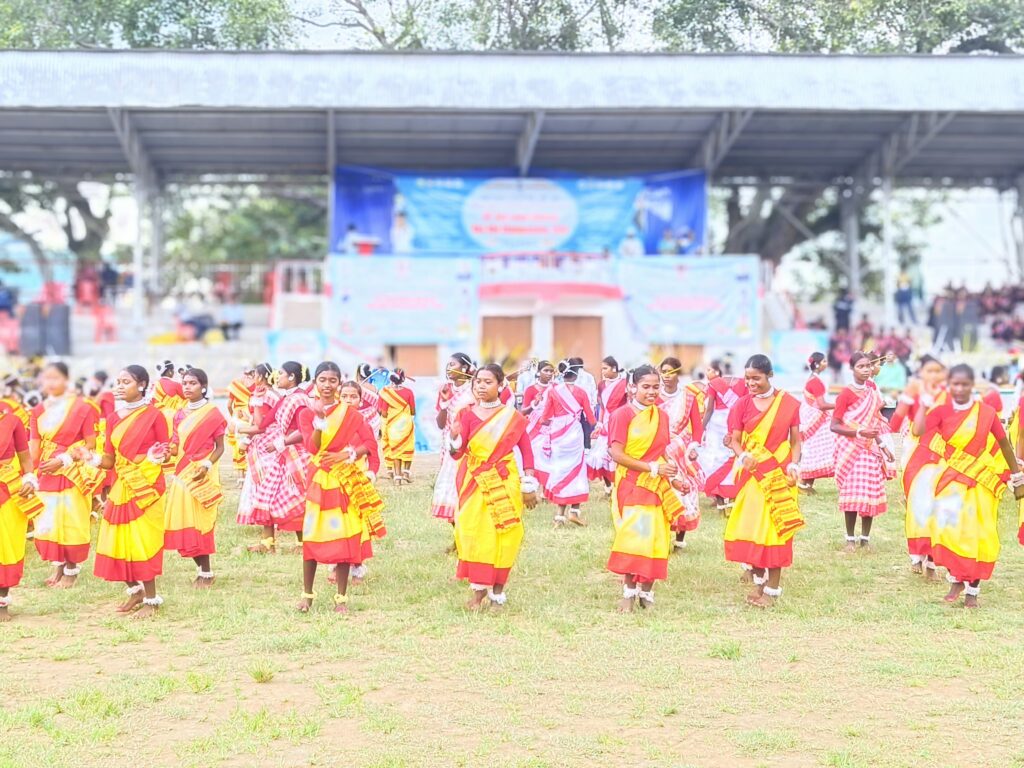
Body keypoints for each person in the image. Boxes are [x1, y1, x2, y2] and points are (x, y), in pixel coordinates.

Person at [905, 364, 1024, 607]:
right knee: (947, 529)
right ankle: (957, 578)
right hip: (951, 480)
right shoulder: (942, 411)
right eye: (955, 384)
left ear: (972, 385)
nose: (959, 389)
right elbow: (918, 430)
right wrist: (925, 404)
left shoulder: (987, 413)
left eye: (964, 384)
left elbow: (1004, 444)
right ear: (950, 385)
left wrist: (1017, 476)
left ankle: (972, 592)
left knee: (979, 533)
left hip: (981, 481)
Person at [449, 364, 538, 611]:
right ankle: (478, 591)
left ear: (501, 385)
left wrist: (529, 484)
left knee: (504, 532)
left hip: (503, 479)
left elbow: (527, 453)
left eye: (488, 381)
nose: (481, 386)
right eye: (478, 381)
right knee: (472, 530)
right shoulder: (465, 415)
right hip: (474, 480)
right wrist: (455, 438)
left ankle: (497, 593)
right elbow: (457, 454)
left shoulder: (512, 417)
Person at [299, 364, 386, 614]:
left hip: (343, 479)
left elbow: (369, 443)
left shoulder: (350, 413)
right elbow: (312, 448)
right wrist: (320, 422)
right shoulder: (307, 413)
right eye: (322, 380)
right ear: (315, 382)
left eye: (332, 380)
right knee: (313, 533)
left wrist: (348, 454)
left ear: (339, 383)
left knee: (344, 536)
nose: (327, 385)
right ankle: (307, 595)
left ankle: (341, 598)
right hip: (319, 479)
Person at [723, 355, 803, 608]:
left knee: (775, 530)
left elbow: (796, 440)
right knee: (751, 529)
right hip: (753, 475)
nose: (751, 383)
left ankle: (773, 589)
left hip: (779, 474)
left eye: (756, 378)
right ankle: (759, 583)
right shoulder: (741, 405)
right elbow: (735, 439)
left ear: (770, 376)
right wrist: (743, 455)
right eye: (747, 378)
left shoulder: (788, 403)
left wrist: (794, 463)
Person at [606, 365, 687, 612]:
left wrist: (674, 478)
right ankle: (629, 594)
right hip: (632, 483)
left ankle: (647, 594)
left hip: (656, 487)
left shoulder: (661, 416)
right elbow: (616, 453)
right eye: (646, 387)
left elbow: (660, 451)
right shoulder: (622, 415)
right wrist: (652, 468)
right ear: (632, 387)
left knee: (656, 539)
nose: (652, 392)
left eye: (656, 386)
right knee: (635, 537)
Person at [92, 365, 170, 618]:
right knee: (115, 540)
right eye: (118, 381)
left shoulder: (154, 415)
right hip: (121, 486)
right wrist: (87, 458)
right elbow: (108, 460)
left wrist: (154, 457)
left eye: (126, 381)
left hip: (145, 485)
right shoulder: (113, 418)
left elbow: (165, 451)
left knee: (142, 540)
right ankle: (135, 590)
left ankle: (151, 601)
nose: (120, 386)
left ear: (142, 385)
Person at [31, 362, 104, 589]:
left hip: (72, 470)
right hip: (47, 471)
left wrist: (65, 459)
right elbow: (34, 445)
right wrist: (30, 474)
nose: (50, 383)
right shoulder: (37, 411)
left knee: (72, 518)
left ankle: (71, 570)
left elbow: (91, 443)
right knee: (49, 519)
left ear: (66, 380)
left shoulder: (83, 408)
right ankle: (58, 566)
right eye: (47, 379)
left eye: (55, 378)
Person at [236, 362, 312, 553]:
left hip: (297, 454)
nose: (277, 378)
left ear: (292, 377)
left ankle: (302, 544)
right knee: (267, 495)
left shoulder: (300, 400)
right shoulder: (285, 398)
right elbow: (264, 423)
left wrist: (280, 443)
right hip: (283, 454)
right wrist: (257, 402)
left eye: (281, 374)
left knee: (296, 498)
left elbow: (305, 430)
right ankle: (267, 543)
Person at [163, 367, 226, 588]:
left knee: (201, 521)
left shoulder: (213, 413)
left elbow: (220, 447)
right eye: (185, 383)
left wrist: (207, 465)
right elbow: (175, 445)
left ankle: (207, 573)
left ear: (203, 386)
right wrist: (164, 450)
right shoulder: (179, 414)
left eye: (192, 383)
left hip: (202, 473)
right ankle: (199, 569)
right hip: (182, 473)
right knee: (185, 520)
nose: (187, 387)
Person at [830, 352, 896, 553]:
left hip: (870, 447)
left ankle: (865, 540)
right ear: (852, 369)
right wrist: (859, 432)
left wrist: (883, 446)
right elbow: (834, 425)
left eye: (868, 366)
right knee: (851, 493)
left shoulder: (873, 392)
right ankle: (850, 539)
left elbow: (872, 424)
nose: (866, 370)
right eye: (861, 366)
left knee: (869, 492)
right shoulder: (846, 394)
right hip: (849, 448)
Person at [0, 399, 41, 621]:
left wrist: (30, 478)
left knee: (5, 546)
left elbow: (25, 458)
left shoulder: (11, 421)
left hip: (7, 491)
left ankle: (1, 602)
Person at [540, 360, 595, 526]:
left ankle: (559, 517)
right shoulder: (581, 392)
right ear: (576, 375)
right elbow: (591, 418)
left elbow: (544, 418)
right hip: (574, 433)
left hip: (558, 434)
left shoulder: (552, 392)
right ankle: (574, 512)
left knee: (560, 470)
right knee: (577, 470)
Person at [658, 358, 706, 550]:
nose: (666, 377)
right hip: (658, 449)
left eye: (670, 372)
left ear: (679, 374)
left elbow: (697, 427)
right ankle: (660, 535)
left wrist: (694, 447)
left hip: (680, 451)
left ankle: (679, 539)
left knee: (683, 490)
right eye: (663, 372)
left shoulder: (688, 398)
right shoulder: (654, 397)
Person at [431, 353, 476, 526]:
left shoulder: (474, 388)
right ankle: (458, 536)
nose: (449, 368)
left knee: (466, 488)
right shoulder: (446, 389)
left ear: (464, 368)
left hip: (470, 446)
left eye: (453, 365)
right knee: (451, 491)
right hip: (451, 446)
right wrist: (444, 403)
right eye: (447, 365)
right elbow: (441, 424)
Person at [701, 360, 745, 512]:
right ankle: (731, 495)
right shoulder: (744, 383)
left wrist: (700, 429)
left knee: (715, 458)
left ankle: (719, 497)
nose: (708, 372)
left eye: (709, 369)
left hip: (716, 423)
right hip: (734, 422)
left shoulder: (714, 383)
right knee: (732, 458)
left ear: (718, 371)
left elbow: (709, 410)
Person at [587, 356, 628, 495]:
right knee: (601, 456)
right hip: (605, 423)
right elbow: (602, 407)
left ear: (614, 368)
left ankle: (619, 487)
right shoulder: (602, 385)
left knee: (616, 456)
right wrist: (599, 424)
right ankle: (608, 487)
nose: (603, 371)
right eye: (602, 368)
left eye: (605, 368)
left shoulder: (625, 383)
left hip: (620, 423)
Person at [798, 353, 835, 490]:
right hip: (816, 419)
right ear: (818, 364)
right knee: (816, 448)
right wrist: (839, 404)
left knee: (814, 448)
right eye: (824, 361)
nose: (827, 363)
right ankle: (804, 481)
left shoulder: (813, 379)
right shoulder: (816, 381)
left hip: (813, 417)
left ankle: (807, 483)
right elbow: (821, 405)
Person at [521, 360, 555, 493]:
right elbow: (523, 411)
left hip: (551, 426)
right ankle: (536, 487)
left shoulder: (556, 387)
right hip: (534, 428)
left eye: (551, 371)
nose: (548, 374)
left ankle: (546, 490)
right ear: (538, 372)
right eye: (545, 370)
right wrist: (535, 403)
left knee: (549, 457)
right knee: (536, 457)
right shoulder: (530, 389)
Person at [378, 368, 416, 485]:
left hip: (393, 426)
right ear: (403, 379)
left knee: (395, 449)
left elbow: (383, 413)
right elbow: (413, 411)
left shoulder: (386, 392)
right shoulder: (409, 392)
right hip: (406, 424)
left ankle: (397, 477)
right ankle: (406, 473)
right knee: (408, 447)